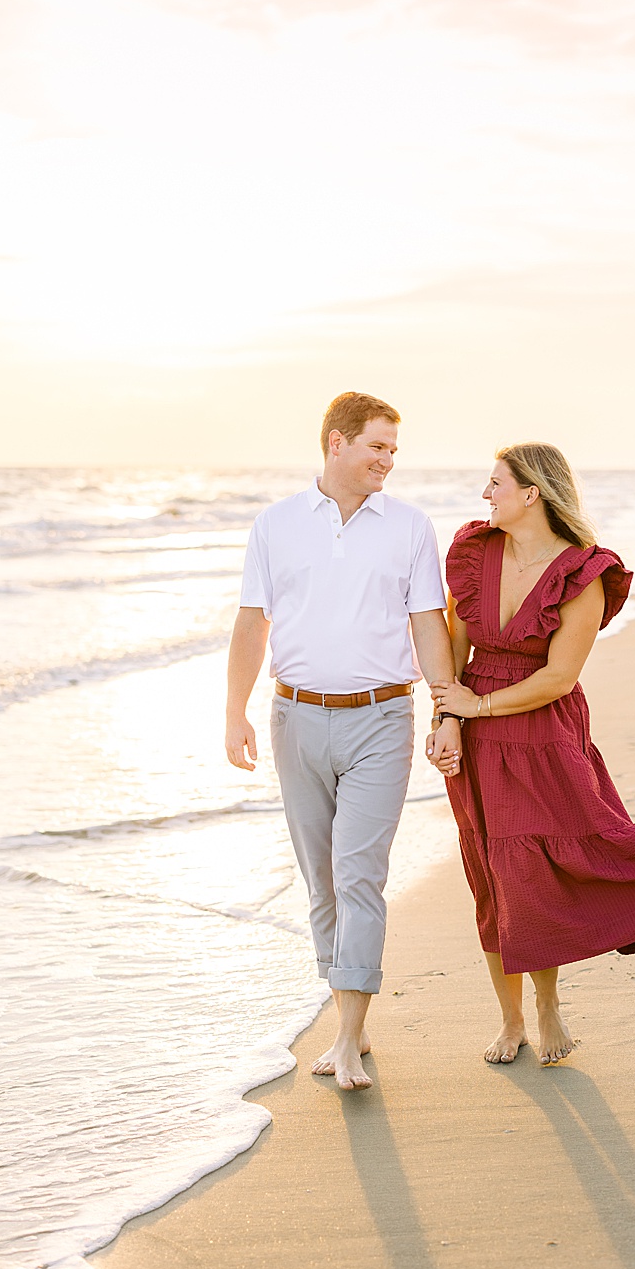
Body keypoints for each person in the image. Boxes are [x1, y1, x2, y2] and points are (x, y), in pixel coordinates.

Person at [426, 443, 635, 1067]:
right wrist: (447, 720)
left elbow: (558, 678)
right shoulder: (473, 553)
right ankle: (511, 1020)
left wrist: (477, 707)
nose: (485, 495)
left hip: (541, 729)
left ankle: (549, 1004)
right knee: (490, 872)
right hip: (474, 728)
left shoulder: (584, 572)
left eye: (495, 484)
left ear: (531, 494)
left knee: (546, 865)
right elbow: (456, 648)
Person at [225, 392, 457, 1092]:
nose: (388, 460)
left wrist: (447, 711)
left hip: (382, 720)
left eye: (393, 449)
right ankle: (347, 1011)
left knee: (359, 875)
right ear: (337, 442)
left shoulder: (410, 527)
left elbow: (428, 623)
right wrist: (234, 711)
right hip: (294, 720)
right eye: (377, 446)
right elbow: (251, 623)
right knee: (322, 883)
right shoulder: (276, 525)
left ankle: (349, 1036)